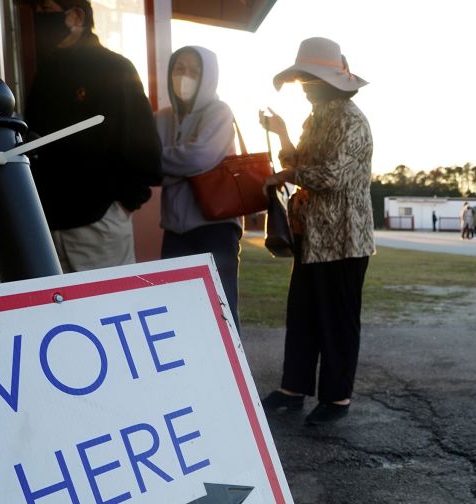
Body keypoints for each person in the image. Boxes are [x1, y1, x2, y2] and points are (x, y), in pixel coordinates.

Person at [259, 38, 375, 424]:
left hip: (344, 238)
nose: (306, 86)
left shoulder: (352, 120)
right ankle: (294, 388)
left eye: (311, 79)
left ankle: (337, 397)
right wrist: (281, 133)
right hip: (313, 236)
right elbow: (301, 160)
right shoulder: (319, 116)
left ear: (330, 81)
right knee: (304, 314)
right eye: (304, 79)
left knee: (337, 320)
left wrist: (289, 173)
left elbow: (333, 175)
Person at [24, 0, 161, 272]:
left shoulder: (115, 69)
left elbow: (144, 149)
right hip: (47, 228)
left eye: (45, 11)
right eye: (36, 12)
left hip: (99, 227)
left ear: (76, 16)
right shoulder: (45, 74)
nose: (37, 19)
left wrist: (122, 204)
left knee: (112, 307)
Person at [155, 46, 242, 329]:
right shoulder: (162, 117)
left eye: (194, 70)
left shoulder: (219, 111)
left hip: (215, 227)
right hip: (175, 231)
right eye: (179, 68)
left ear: (209, 76)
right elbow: (150, 165)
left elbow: (200, 156)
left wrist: (167, 164)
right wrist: (183, 166)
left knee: (220, 309)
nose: (185, 76)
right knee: (176, 311)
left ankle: (230, 373)